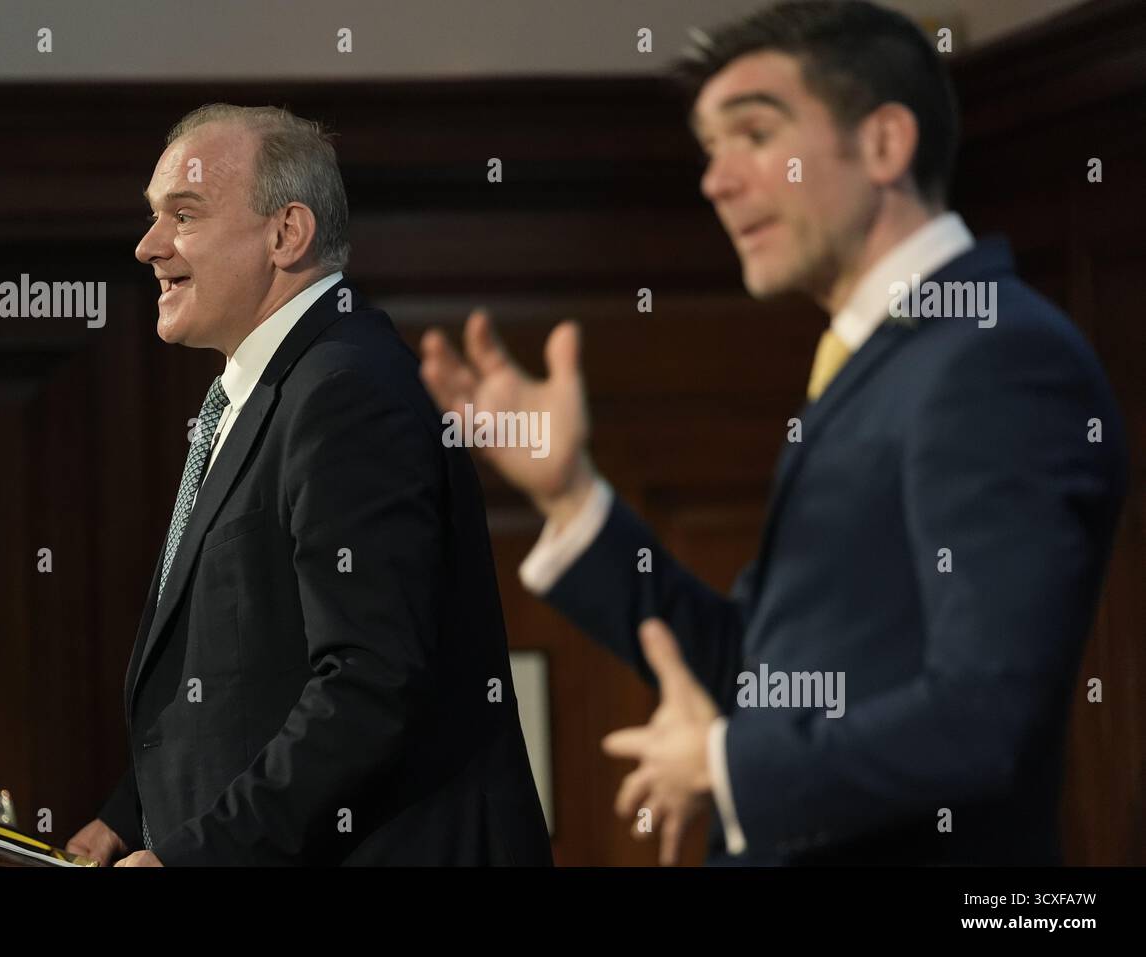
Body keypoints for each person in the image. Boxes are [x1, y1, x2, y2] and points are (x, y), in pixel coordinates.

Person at [420, 0, 1127, 865]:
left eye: (754, 134)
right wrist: (570, 496)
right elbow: (762, 677)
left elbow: (986, 715)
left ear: (884, 143)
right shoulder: (882, 361)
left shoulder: (995, 357)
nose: (716, 181)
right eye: (710, 149)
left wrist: (726, 765)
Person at [66, 103, 551, 866]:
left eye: (183, 215)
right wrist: (133, 816)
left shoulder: (346, 391)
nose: (148, 245)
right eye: (153, 216)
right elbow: (254, 672)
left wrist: (194, 857)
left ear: (286, 234)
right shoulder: (277, 389)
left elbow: (368, 684)